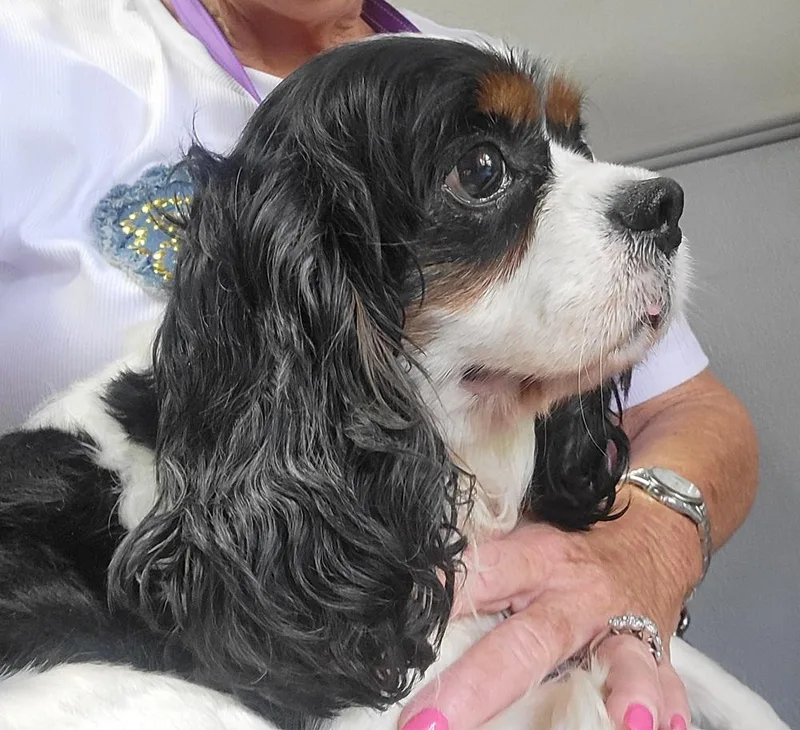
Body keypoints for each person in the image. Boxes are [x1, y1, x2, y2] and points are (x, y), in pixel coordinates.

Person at [0, 2, 758, 730]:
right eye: (482, 171)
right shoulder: (31, 43)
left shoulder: (471, 52)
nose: (620, 187)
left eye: (569, 147)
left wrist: (640, 549)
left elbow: (693, 412)